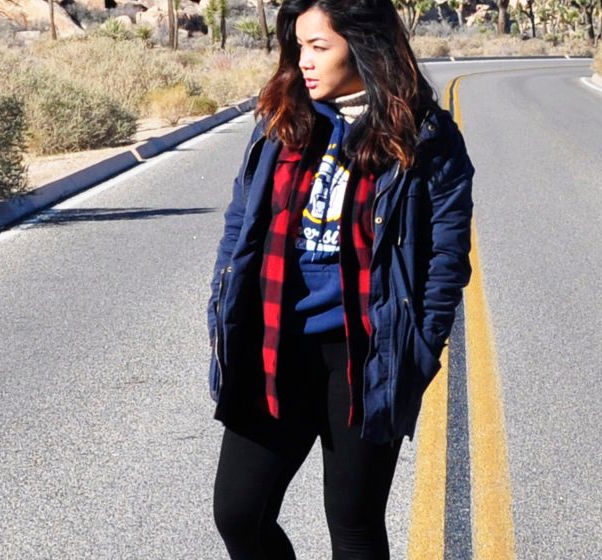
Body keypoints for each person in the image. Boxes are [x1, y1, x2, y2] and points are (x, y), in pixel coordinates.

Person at [207, 1, 474, 558]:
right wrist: (221, 305)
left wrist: (420, 348)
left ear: (363, 45)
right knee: (239, 513)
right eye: (298, 45)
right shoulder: (281, 121)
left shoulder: (425, 136)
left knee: (353, 523)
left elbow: (445, 259)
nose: (303, 60)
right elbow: (239, 225)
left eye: (318, 46)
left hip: (366, 352)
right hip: (274, 341)